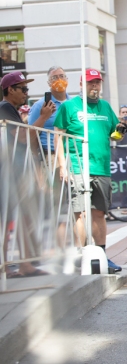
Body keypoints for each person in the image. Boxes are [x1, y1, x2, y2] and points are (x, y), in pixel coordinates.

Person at [54, 68, 127, 273]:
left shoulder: (105, 107)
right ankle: (83, 254)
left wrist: (119, 132)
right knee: (80, 213)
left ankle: (102, 255)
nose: (94, 86)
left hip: (101, 167)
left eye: (97, 83)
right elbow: (58, 135)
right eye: (90, 83)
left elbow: (113, 136)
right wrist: (62, 165)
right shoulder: (69, 107)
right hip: (78, 166)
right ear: (81, 85)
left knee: (99, 213)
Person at [0, 71, 54, 277]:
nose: (26, 93)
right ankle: (7, 267)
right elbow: (23, 137)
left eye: (27, 89)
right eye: (23, 89)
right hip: (8, 172)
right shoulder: (5, 108)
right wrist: (43, 117)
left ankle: (24, 264)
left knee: (23, 218)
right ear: (10, 90)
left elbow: (28, 140)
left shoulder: (10, 109)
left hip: (16, 171)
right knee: (6, 222)